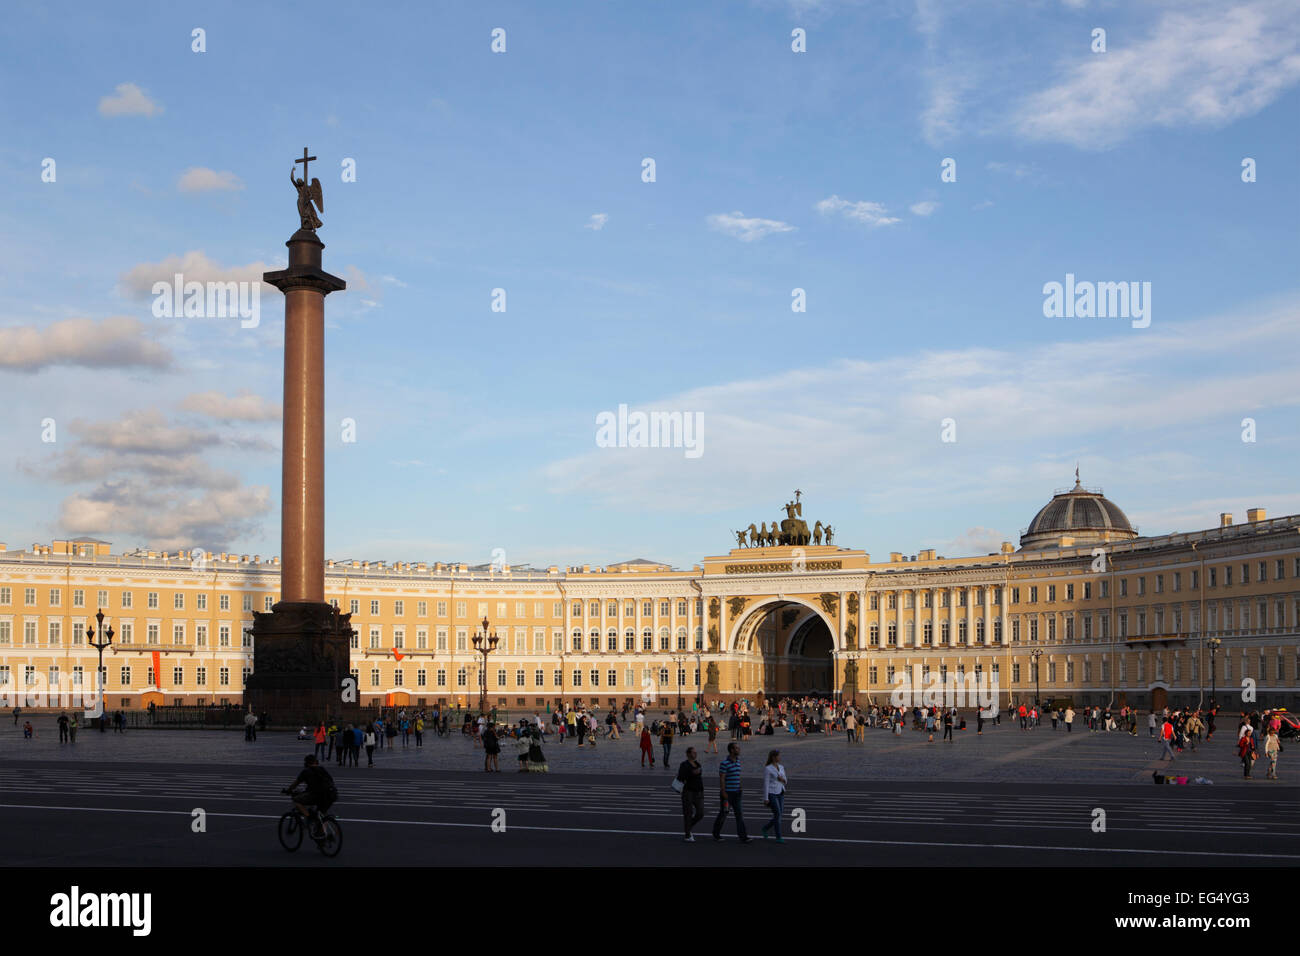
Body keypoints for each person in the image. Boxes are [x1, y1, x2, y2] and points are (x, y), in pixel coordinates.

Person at [285, 754, 337, 839]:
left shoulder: (306, 771)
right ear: (316, 762)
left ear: (306, 763)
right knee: (322, 815)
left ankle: (309, 818)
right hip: (331, 795)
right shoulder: (322, 769)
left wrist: (288, 790)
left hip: (317, 795)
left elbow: (296, 783)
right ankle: (323, 836)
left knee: (296, 800)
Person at [712, 742, 750, 843]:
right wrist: (723, 791)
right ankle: (716, 833)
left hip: (737, 793)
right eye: (737, 748)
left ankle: (743, 836)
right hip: (727, 794)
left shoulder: (738, 761)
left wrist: (740, 786)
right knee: (723, 814)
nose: (739, 749)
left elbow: (738, 775)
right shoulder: (724, 763)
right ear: (732, 750)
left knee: (739, 815)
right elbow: (722, 778)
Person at [677, 746, 705, 841]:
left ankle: (688, 827)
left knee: (700, 813)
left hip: (698, 792)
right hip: (688, 792)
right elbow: (680, 777)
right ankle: (688, 834)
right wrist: (692, 772)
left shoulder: (697, 764)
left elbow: (699, 776)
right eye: (693, 752)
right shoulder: (684, 765)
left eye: (695, 752)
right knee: (688, 813)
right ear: (688, 754)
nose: (695, 753)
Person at [760, 750, 787, 843]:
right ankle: (778, 837)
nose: (780, 758)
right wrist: (765, 798)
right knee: (778, 814)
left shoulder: (781, 767)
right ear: (773, 757)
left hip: (781, 792)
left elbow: (786, 780)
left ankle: (765, 828)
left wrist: (782, 779)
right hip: (772, 793)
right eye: (778, 756)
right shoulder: (768, 768)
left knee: (778, 815)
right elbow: (766, 783)